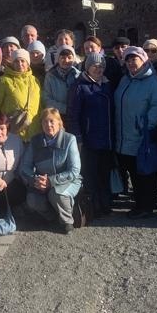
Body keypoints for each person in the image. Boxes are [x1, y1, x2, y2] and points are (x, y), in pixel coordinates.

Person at [113, 46, 157, 218]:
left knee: (143, 172)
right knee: (132, 170)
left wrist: (144, 125)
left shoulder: (153, 82)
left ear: (144, 60)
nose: (131, 63)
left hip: (140, 135)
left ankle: (146, 206)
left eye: (134, 59)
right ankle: (140, 203)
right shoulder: (125, 80)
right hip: (123, 134)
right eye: (128, 60)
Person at [66, 51, 114, 217]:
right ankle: (93, 207)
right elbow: (73, 115)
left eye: (101, 66)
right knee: (91, 175)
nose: (98, 69)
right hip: (89, 139)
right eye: (95, 65)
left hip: (107, 138)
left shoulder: (107, 85)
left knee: (104, 174)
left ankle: (106, 205)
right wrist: (78, 138)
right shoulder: (79, 86)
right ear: (87, 67)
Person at [20, 108, 82, 234]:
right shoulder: (35, 141)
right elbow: (24, 166)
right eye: (44, 122)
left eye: (52, 121)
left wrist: (51, 181)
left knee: (56, 194)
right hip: (42, 182)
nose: (48, 125)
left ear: (59, 122)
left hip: (68, 181)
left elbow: (74, 170)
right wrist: (35, 180)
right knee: (32, 199)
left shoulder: (70, 139)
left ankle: (67, 221)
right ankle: (51, 217)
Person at [0, 48, 41, 142]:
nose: (20, 64)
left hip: (33, 130)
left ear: (28, 63)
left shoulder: (35, 81)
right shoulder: (4, 80)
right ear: (12, 63)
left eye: (23, 61)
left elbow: (40, 105)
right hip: (12, 131)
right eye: (16, 61)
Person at [42, 44, 80, 120]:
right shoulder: (50, 76)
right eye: (63, 58)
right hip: (56, 116)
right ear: (58, 59)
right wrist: (65, 109)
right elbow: (46, 99)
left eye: (69, 57)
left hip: (76, 115)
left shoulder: (78, 75)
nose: (66, 60)